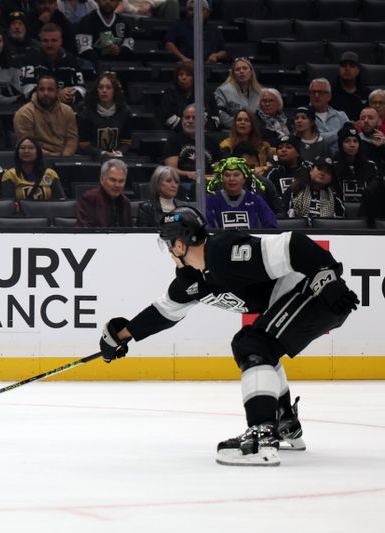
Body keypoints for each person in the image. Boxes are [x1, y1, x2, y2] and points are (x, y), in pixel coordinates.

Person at [98, 205, 359, 466]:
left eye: (167, 244)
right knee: (256, 345)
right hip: (309, 297)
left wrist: (328, 277)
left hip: (318, 292)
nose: (168, 251)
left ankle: (261, 436)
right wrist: (121, 335)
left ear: (179, 245)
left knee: (252, 345)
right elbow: (164, 311)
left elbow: (293, 244)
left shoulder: (225, 251)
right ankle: (284, 423)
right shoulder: (191, 280)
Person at [20, 23, 88, 104]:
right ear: (40, 41)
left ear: (61, 41)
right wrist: (57, 94)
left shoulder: (71, 60)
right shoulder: (30, 58)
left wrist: (69, 96)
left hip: (66, 107)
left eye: (53, 40)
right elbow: (27, 90)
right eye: (45, 41)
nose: (49, 45)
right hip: (36, 109)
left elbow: (81, 88)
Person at [14, 74, 78, 156]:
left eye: (50, 89)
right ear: (36, 91)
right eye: (41, 89)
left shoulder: (67, 111)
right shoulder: (24, 113)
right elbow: (27, 146)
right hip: (36, 159)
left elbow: (72, 139)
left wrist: (64, 158)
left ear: (57, 92)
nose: (45, 93)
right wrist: (52, 157)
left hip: (64, 158)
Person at [205, 156, 277, 229]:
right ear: (221, 179)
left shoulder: (255, 200)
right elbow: (206, 228)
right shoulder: (211, 200)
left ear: (244, 179)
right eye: (227, 175)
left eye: (236, 175)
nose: (231, 179)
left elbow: (271, 226)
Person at [162, 103, 221, 191]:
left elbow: (218, 167)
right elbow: (170, 170)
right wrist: (188, 174)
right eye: (187, 117)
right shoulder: (173, 141)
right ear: (182, 121)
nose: (190, 121)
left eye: (194, 118)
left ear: (204, 122)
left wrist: (213, 175)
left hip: (207, 185)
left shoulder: (213, 143)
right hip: (182, 186)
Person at [77, 71, 128, 158]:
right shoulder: (86, 112)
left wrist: (119, 152)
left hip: (117, 158)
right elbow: (84, 144)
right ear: (96, 90)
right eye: (101, 87)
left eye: (108, 87)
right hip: (92, 159)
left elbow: (126, 141)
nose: (104, 91)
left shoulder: (125, 112)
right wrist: (102, 153)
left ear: (115, 91)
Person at [158, 61, 219, 132]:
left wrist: (204, 130)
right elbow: (167, 117)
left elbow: (215, 117)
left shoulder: (206, 92)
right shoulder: (171, 92)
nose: (183, 77)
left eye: (188, 75)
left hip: (205, 134)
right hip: (178, 134)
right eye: (181, 74)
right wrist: (190, 130)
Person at [0, 136, 65, 200]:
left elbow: (60, 200)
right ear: (18, 152)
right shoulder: (10, 175)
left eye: (31, 148)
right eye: (22, 148)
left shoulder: (50, 174)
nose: (26, 151)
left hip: (47, 210)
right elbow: (8, 204)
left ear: (38, 152)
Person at [74, 0, 136, 64]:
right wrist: (102, 53)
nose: (108, 2)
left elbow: (129, 45)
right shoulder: (87, 21)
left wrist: (120, 51)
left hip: (119, 65)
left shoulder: (124, 22)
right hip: (94, 65)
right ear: (97, 1)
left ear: (118, 2)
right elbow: (84, 49)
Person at [164, 0, 226, 64]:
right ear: (186, 12)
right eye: (191, 9)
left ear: (208, 12)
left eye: (200, 9)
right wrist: (183, 58)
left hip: (209, 65)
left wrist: (216, 56)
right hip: (184, 65)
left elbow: (223, 51)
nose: (195, 12)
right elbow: (169, 44)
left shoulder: (214, 30)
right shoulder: (177, 26)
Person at [331, 123, 379, 204]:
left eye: (355, 141)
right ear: (340, 145)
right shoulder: (333, 167)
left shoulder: (370, 166)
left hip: (365, 210)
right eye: (347, 141)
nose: (352, 145)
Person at [76, 158, 130, 227]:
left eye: (121, 181)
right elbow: (84, 231)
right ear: (102, 179)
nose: (117, 185)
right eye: (113, 180)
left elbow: (129, 232)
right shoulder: (89, 198)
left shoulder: (125, 202)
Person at [214, 57, 263, 130]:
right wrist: (239, 125)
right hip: (231, 131)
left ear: (251, 72)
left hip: (256, 131)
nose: (241, 71)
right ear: (233, 74)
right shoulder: (222, 90)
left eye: (245, 68)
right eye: (237, 69)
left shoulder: (260, 92)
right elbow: (220, 114)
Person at [307, 77, 349, 150]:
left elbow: (349, 137)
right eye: (313, 92)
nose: (316, 95)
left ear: (329, 96)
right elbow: (314, 140)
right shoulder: (303, 116)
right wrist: (340, 132)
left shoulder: (341, 116)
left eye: (320, 92)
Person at [265, 134, 311, 199]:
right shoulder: (272, 173)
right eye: (280, 148)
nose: (283, 150)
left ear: (298, 153)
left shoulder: (309, 169)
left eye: (289, 147)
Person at [330, 51, 370, 123]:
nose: (347, 68)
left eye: (352, 66)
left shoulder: (366, 93)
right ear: (339, 70)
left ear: (358, 71)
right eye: (344, 65)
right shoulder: (330, 92)